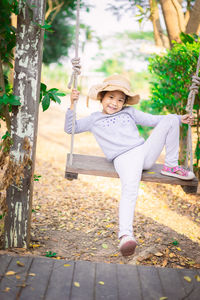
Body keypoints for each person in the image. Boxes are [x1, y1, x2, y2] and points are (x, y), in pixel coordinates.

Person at [64, 74, 195, 257]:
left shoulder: (129, 112)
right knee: (130, 190)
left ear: (125, 102)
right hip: (124, 158)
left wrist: (180, 118)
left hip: (143, 152)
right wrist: (72, 103)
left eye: (120, 99)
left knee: (170, 119)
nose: (115, 103)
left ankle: (171, 165)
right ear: (102, 97)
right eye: (111, 97)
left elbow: (153, 120)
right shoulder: (94, 119)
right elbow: (71, 128)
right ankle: (126, 235)